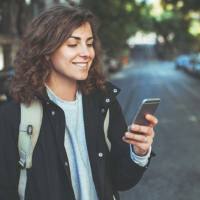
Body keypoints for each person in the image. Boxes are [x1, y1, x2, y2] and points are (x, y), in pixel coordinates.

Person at [0, 5, 158, 200]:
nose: (86, 53)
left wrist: (139, 152)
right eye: (73, 44)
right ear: (46, 50)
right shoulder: (12, 116)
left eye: (89, 43)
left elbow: (120, 180)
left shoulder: (104, 102)